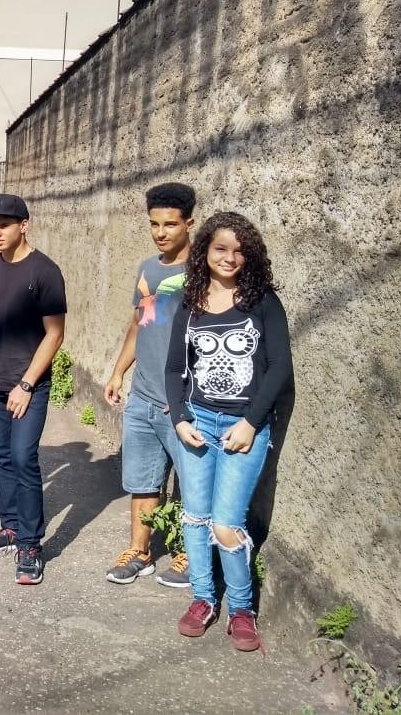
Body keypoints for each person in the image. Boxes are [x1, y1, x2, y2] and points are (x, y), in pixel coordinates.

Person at [164, 211, 293, 653]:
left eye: (239, 250)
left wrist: (251, 422)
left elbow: (280, 370)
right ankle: (202, 599)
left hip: (243, 429)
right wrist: (180, 417)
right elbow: (174, 368)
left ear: (249, 255)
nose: (230, 257)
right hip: (198, 422)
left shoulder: (262, 301)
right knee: (195, 519)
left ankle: (241, 608)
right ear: (205, 251)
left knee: (224, 524)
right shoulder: (191, 300)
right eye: (221, 248)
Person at [0, 194, 66, 585]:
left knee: (24, 458)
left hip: (28, 388)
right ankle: (9, 528)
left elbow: (55, 335)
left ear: (24, 224)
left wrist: (27, 383)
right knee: (2, 457)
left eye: (4, 224)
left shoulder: (45, 272)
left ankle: (30, 543)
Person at [103, 182, 196, 587]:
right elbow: (142, 324)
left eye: (171, 224)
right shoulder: (148, 267)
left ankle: (188, 555)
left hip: (183, 401)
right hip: (142, 395)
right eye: (154, 224)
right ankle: (139, 552)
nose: (161, 232)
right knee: (142, 481)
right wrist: (119, 370)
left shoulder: (203, 272)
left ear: (189, 223)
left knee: (191, 485)